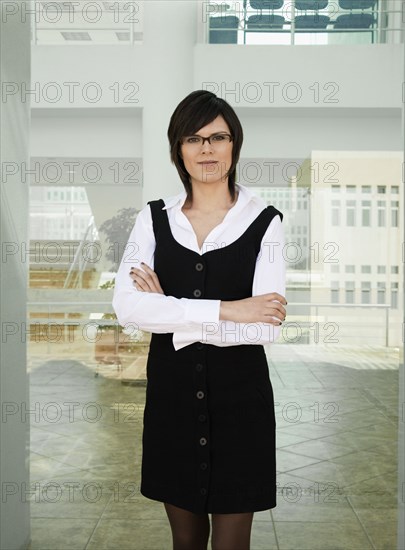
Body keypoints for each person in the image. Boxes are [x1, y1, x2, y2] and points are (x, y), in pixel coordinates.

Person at [112, 89, 287, 550]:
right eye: (194, 139)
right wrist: (230, 307)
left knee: (233, 545)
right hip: (172, 403)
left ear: (234, 146)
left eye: (218, 137)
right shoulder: (152, 219)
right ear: (178, 150)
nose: (206, 149)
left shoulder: (266, 222)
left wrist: (169, 310)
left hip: (241, 405)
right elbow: (128, 308)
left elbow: (263, 326)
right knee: (185, 541)